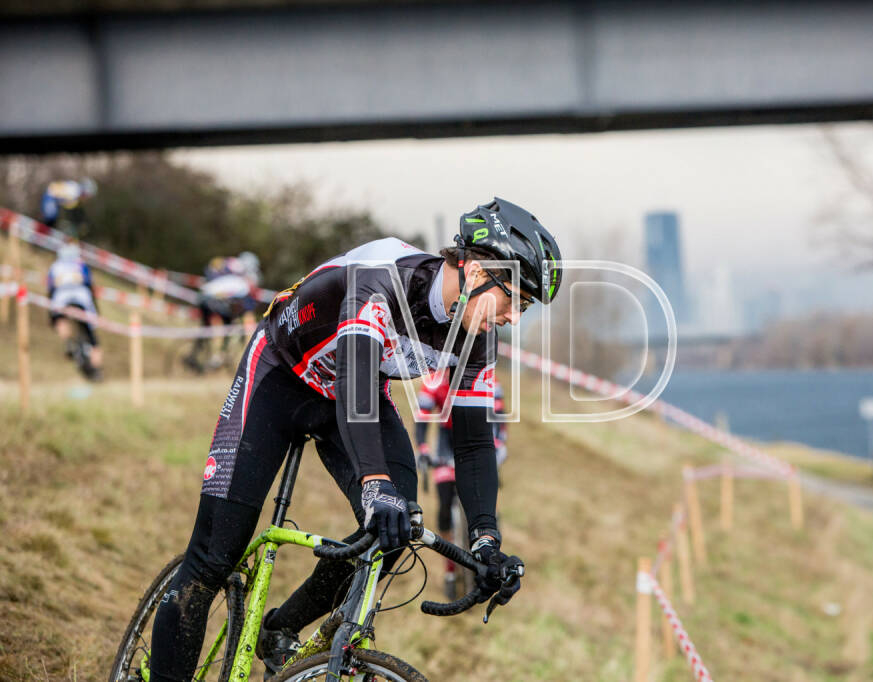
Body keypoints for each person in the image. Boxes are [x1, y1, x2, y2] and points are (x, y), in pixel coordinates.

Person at [146, 198, 562, 681]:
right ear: (474, 271)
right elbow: (355, 388)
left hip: (349, 393)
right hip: (280, 376)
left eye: (525, 307)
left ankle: (281, 628)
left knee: (398, 521)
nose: (514, 317)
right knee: (214, 557)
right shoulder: (382, 279)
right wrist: (373, 482)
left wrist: (486, 540)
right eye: (514, 299)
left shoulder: (477, 337)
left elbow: (473, 444)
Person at [415, 371, 509, 599]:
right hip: (448, 440)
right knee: (445, 507)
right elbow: (423, 417)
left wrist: (497, 446)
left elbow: (498, 418)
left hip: (479, 436)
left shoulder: (487, 380)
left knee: (484, 503)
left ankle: (489, 549)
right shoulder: (434, 382)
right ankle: (450, 567)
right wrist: (423, 449)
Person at [184, 252, 262, 372]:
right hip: (211, 300)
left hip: (205, 297)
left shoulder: (231, 267)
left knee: (208, 327)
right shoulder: (243, 281)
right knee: (228, 323)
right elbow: (246, 304)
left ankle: (198, 352)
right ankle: (217, 356)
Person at [47, 243, 103, 380]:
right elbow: (89, 285)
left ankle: (68, 342)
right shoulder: (81, 264)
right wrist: (96, 311)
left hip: (61, 298)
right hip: (82, 299)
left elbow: (50, 289)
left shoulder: (55, 266)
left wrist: (51, 316)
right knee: (93, 338)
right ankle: (97, 370)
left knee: (60, 320)